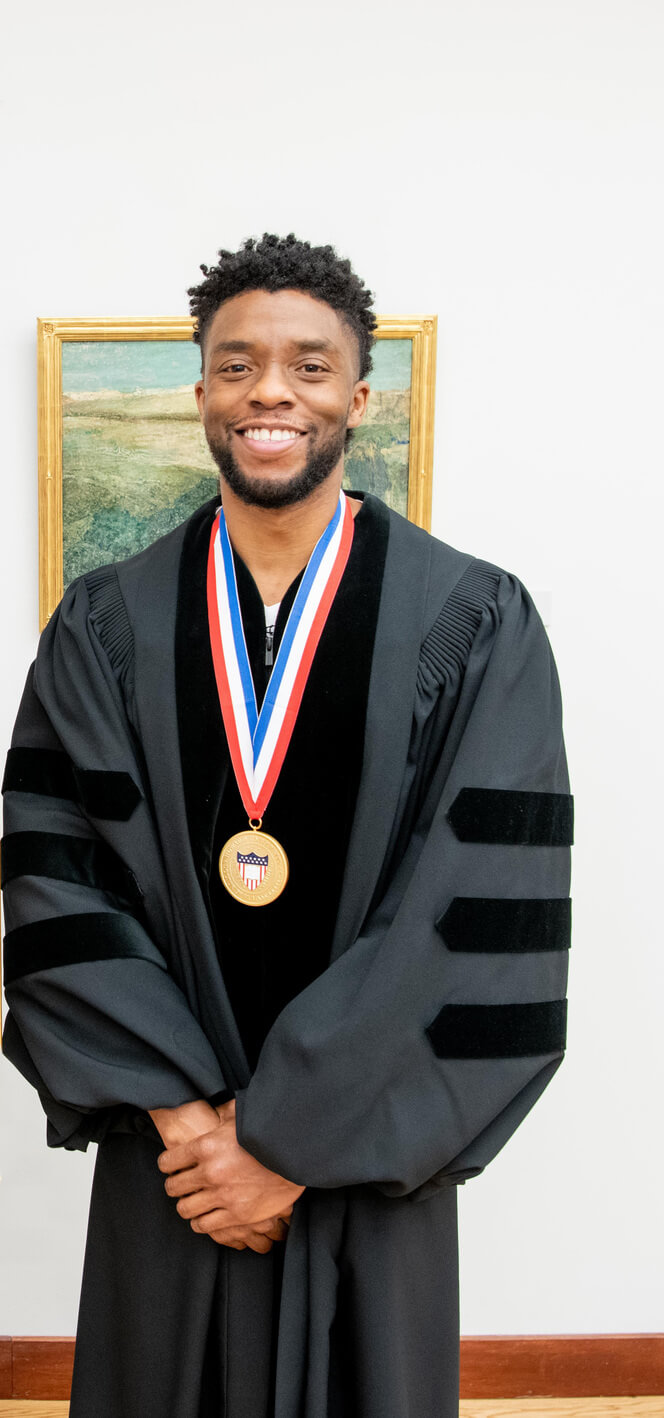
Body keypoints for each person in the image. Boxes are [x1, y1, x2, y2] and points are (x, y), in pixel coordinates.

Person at [1, 233, 573, 1418]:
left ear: (357, 396)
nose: (272, 390)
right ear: (201, 390)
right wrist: (192, 1122)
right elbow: (58, 878)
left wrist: (283, 1139)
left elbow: (470, 916)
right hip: (177, 1163)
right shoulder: (104, 626)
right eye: (238, 363)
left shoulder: (474, 622)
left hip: (365, 1156)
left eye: (309, 367)